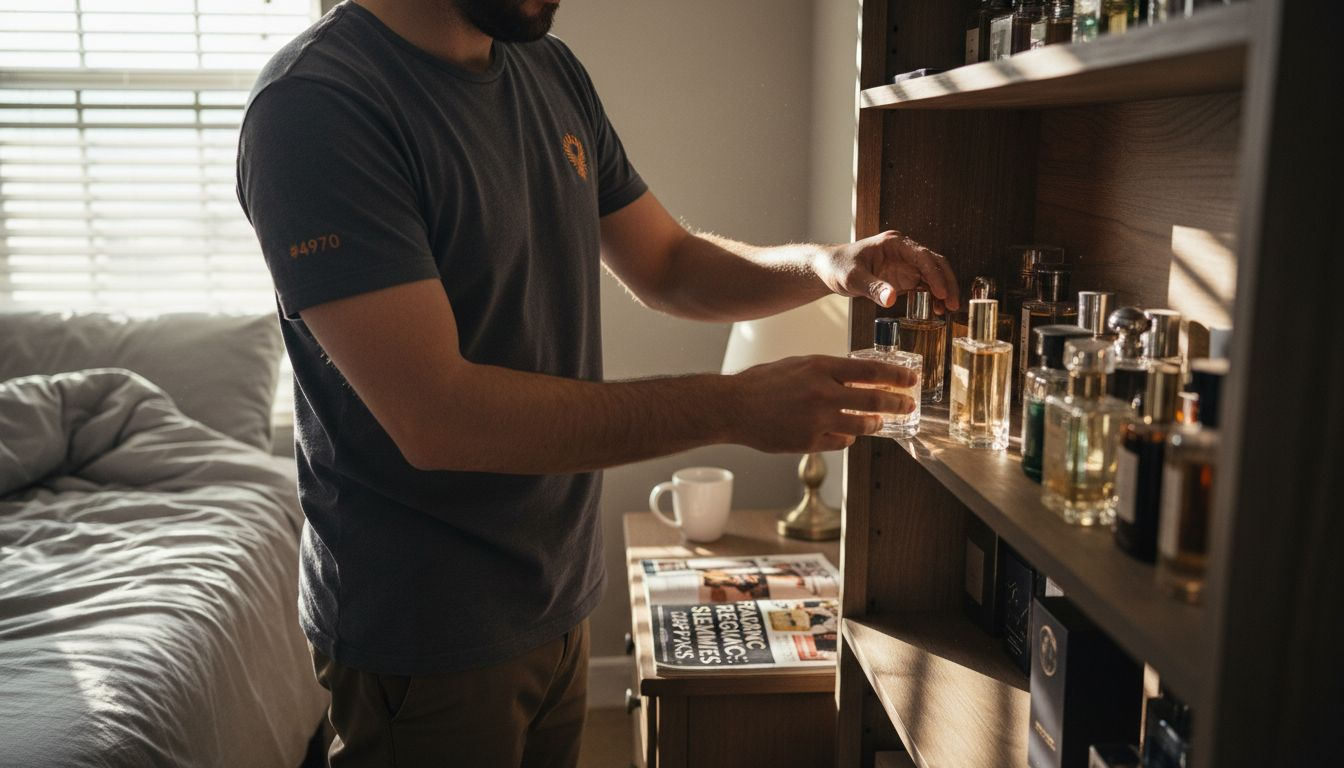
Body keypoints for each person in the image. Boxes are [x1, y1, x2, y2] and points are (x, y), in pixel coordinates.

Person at [236, 0, 959, 765]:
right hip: (426, 633)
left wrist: (821, 266)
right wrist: (734, 406)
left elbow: (668, 264)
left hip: (555, 597)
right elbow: (438, 416)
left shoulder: (547, 69)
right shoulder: (314, 107)